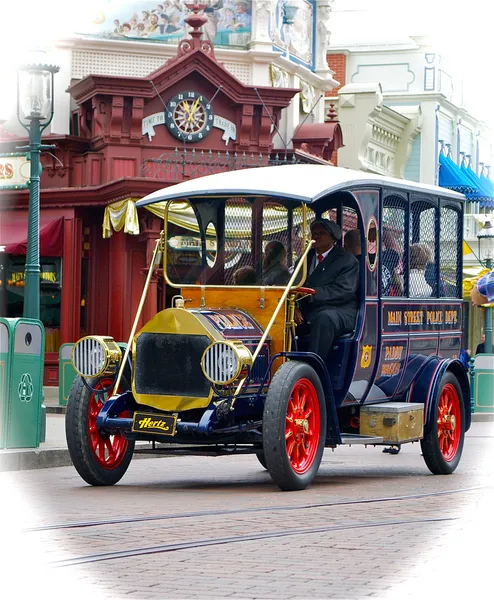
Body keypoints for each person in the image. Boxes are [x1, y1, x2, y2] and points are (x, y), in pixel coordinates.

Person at [294, 218, 359, 360]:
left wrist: (313, 294)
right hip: (308, 310)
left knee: (324, 318)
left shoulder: (347, 260)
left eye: (321, 233)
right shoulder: (305, 258)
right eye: (314, 233)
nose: (316, 236)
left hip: (340, 310)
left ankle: (313, 366)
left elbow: (344, 290)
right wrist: (295, 307)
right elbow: (293, 285)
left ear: (333, 237)